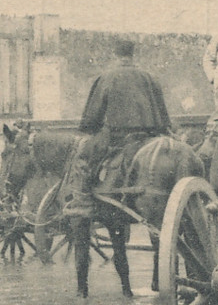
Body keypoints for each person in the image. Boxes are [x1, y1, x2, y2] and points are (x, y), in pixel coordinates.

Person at [67, 38, 171, 215]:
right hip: (149, 137)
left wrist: (89, 129)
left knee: (82, 155)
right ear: (132, 54)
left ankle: (83, 202)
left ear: (116, 54)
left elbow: (92, 118)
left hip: (118, 138)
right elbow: (163, 115)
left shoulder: (107, 77)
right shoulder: (149, 77)